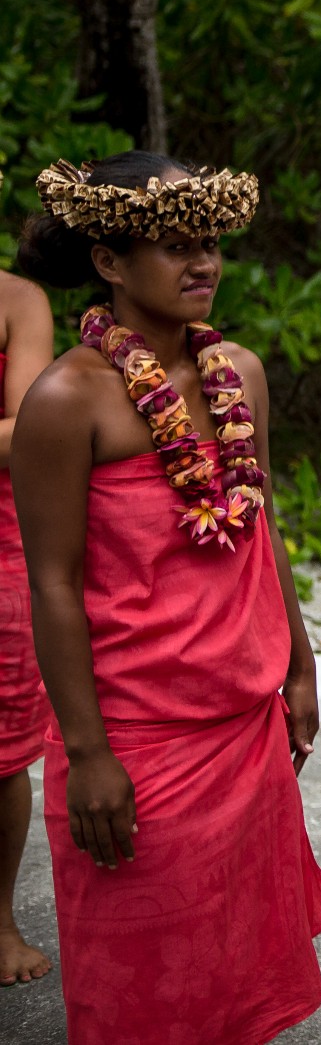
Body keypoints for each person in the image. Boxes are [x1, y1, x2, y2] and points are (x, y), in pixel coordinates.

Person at [14, 153, 321, 1044]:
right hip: (137, 745)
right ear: (110, 263)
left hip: (242, 733)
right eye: (175, 246)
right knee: (143, 1002)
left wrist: (299, 665)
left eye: (211, 244)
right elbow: (54, 583)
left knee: (236, 989)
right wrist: (87, 754)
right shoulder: (65, 398)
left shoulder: (241, 372)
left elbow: (259, 528)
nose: (203, 264)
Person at [0, 263, 53, 986]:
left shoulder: (19, 300)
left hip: (4, 544)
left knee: (4, 748)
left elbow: (25, 431)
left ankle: (0, 918)